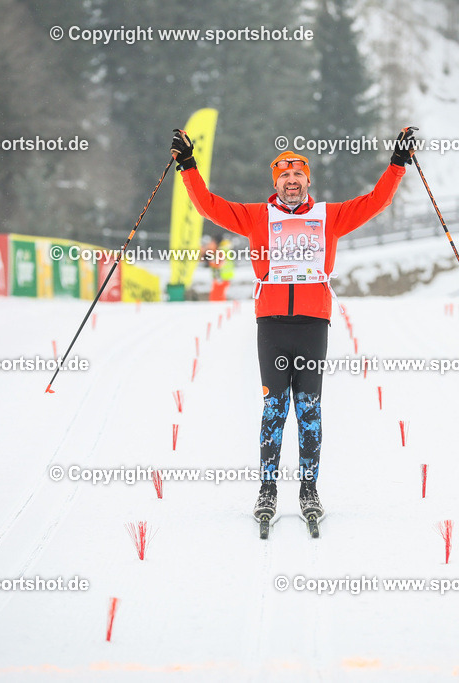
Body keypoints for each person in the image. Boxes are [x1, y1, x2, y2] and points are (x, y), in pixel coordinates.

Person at [170, 126, 415, 525]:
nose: (291, 182)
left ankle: (308, 490)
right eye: (284, 176)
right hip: (271, 324)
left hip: (312, 324)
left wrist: (398, 164)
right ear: (276, 183)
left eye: (298, 175)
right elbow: (208, 206)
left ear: (307, 181)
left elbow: (374, 203)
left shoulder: (328, 217)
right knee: (273, 408)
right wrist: (188, 164)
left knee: (309, 409)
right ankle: (267, 491)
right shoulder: (256, 217)